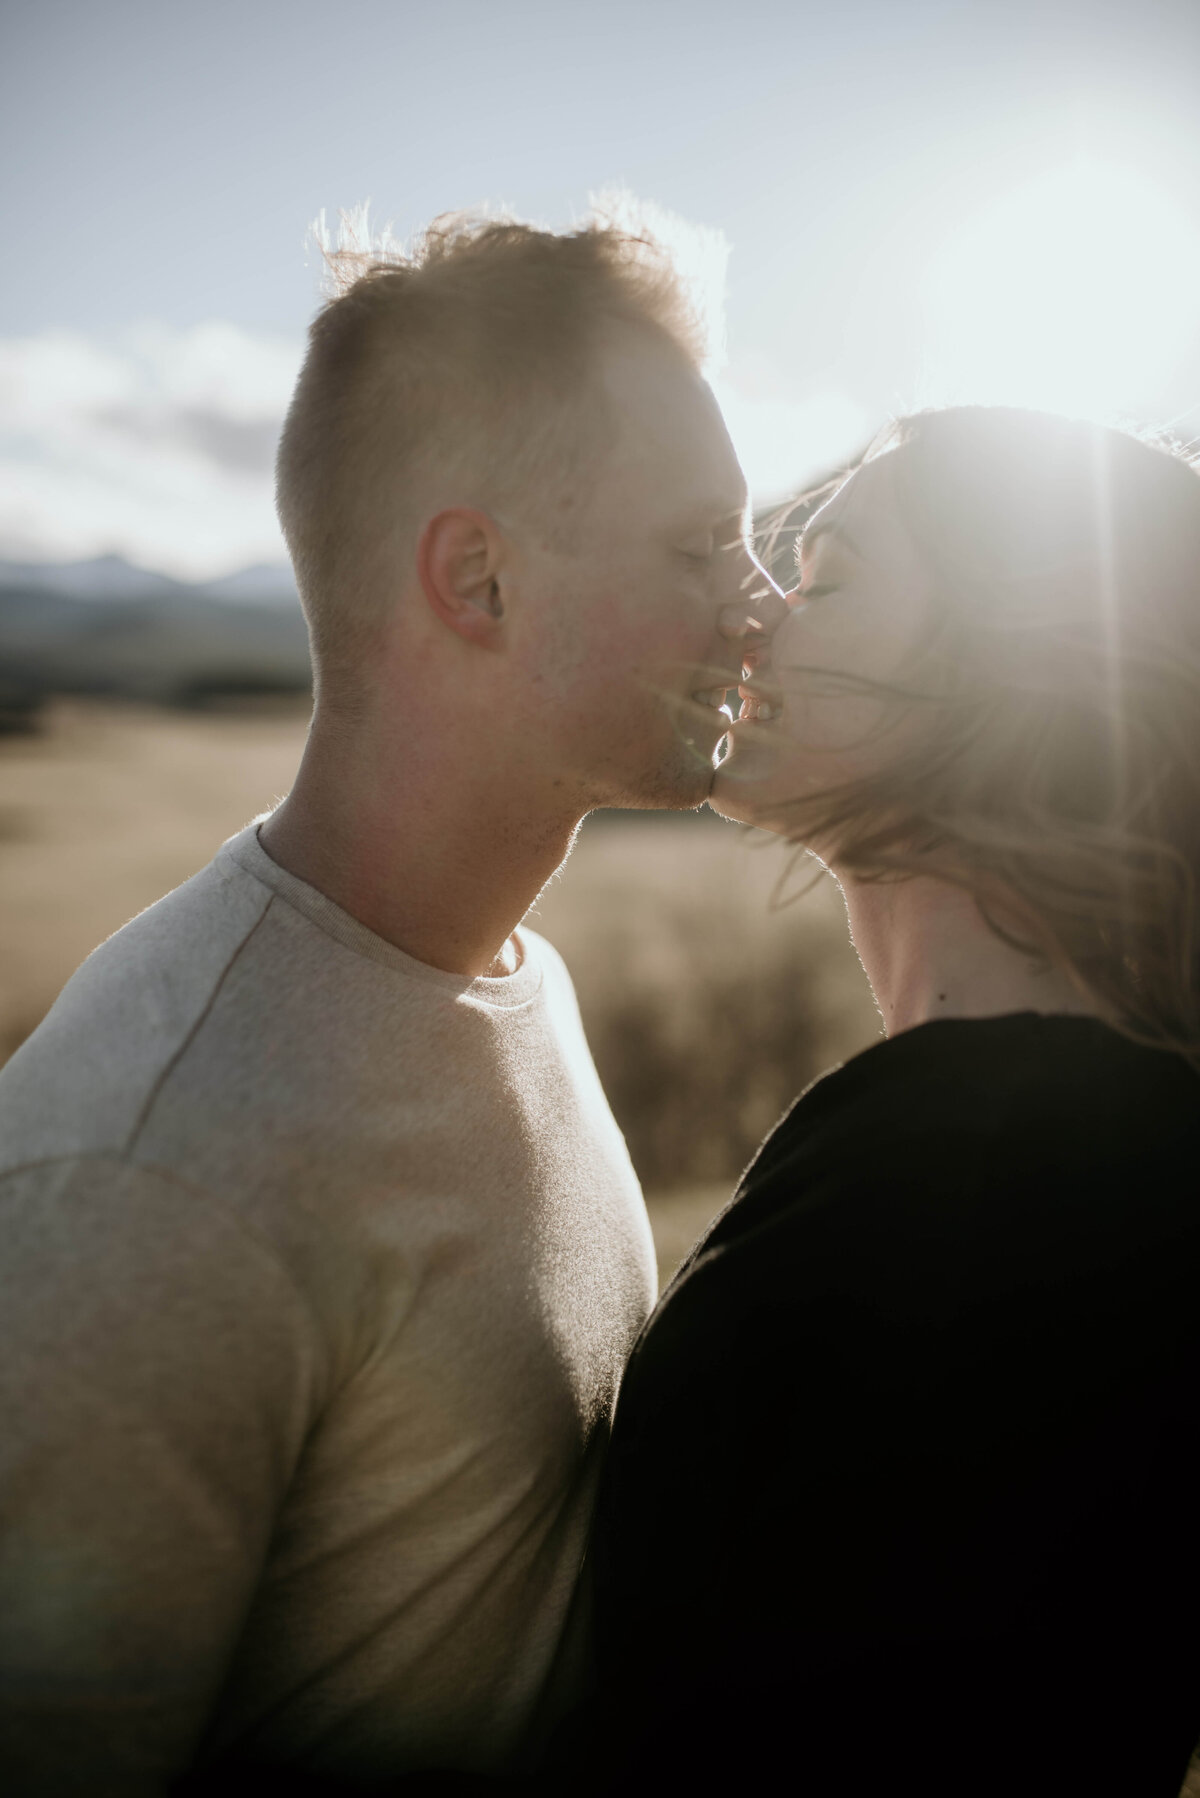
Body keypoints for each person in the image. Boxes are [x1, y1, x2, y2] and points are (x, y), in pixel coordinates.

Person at [0, 208, 773, 1794]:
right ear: (477, 577)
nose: (760, 600)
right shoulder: (152, 1176)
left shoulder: (509, 973)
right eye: (701, 544)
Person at [588, 407, 1200, 1796]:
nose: (756, 620)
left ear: (1025, 673)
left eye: (831, 580)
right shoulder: (1039, 1134)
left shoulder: (985, 1201)